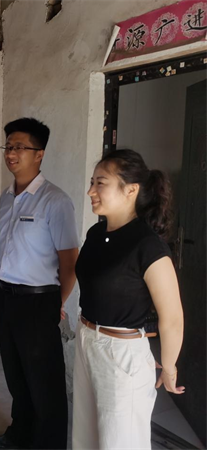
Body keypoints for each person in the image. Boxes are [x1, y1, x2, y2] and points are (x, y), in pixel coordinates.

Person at [72, 149, 184, 449]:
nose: (91, 191)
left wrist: (169, 367)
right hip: (87, 339)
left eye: (100, 183)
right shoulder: (97, 233)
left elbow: (172, 317)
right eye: (92, 182)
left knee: (121, 441)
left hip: (121, 353)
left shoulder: (148, 246)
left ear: (131, 190)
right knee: (85, 436)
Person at [0, 118, 79, 450]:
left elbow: (70, 261)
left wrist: (58, 302)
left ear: (40, 154)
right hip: (5, 295)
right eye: (8, 146)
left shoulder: (55, 200)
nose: (11, 153)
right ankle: (19, 436)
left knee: (44, 381)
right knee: (16, 375)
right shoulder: (6, 197)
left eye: (20, 147)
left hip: (38, 300)